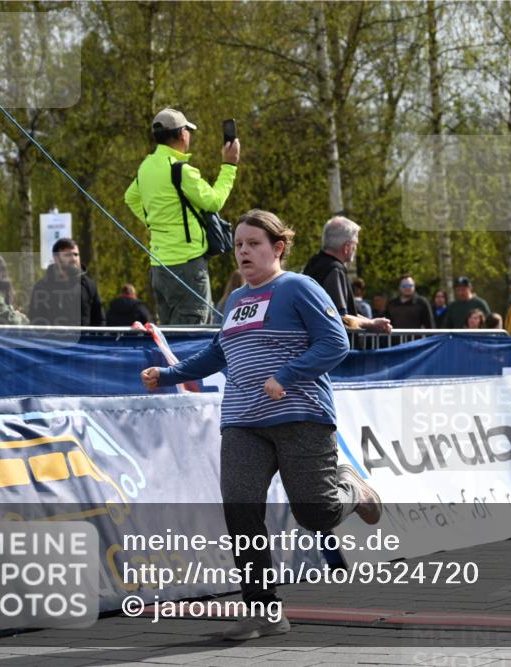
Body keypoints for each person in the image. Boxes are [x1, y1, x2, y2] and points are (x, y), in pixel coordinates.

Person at [140, 210, 382, 640]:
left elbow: (336, 342)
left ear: (278, 248)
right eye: (238, 245)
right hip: (243, 422)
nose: (244, 252)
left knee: (315, 512)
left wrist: (286, 375)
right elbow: (218, 353)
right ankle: (263, 611)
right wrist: (168, 374)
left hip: (300, 416)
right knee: (240, 509)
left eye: (254, 243)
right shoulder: (234, 300)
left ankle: (355, 488)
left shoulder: (297, 288)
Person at [125, 108, 240, 325]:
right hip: (188, 265)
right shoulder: (182, 170)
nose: (190, 135)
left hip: (159, 267)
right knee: (192, 339)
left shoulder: (146, 167)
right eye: (188, 130)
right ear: (181, 134)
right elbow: (215, 201)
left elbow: (130, 197)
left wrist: (154, 221)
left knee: (171, 336)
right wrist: (229, 165)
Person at [302, 216, 391, 333]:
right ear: (347, 247)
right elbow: (342, 319)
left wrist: (372, 322)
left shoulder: (314, 263)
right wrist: (371, 324)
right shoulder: (335, 270)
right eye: (355, 244)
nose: (356, 248)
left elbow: (341, 313)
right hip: (330, 347)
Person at [28, 238, 104, 327]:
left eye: (76, 255)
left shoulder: (88, 285)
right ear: (56, 258)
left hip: (84, 340)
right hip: (53, 340)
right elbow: (36, 321)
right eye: (68, 255)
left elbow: (99, 320)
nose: (74, 259)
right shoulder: (42, 287)